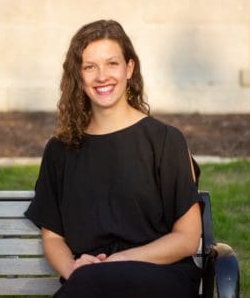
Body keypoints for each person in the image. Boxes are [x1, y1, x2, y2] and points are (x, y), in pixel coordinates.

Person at [25, 19, 202, 297]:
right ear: (78, 76)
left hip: (160, 275)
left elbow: (187, 239)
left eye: (112, 64)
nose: (102, 76)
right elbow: (53, 237)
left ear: (129, 68)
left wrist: (120, 261)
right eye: (89, 66)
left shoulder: (165, 141)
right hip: (88, 282)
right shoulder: (60, 151)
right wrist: (74, 270)